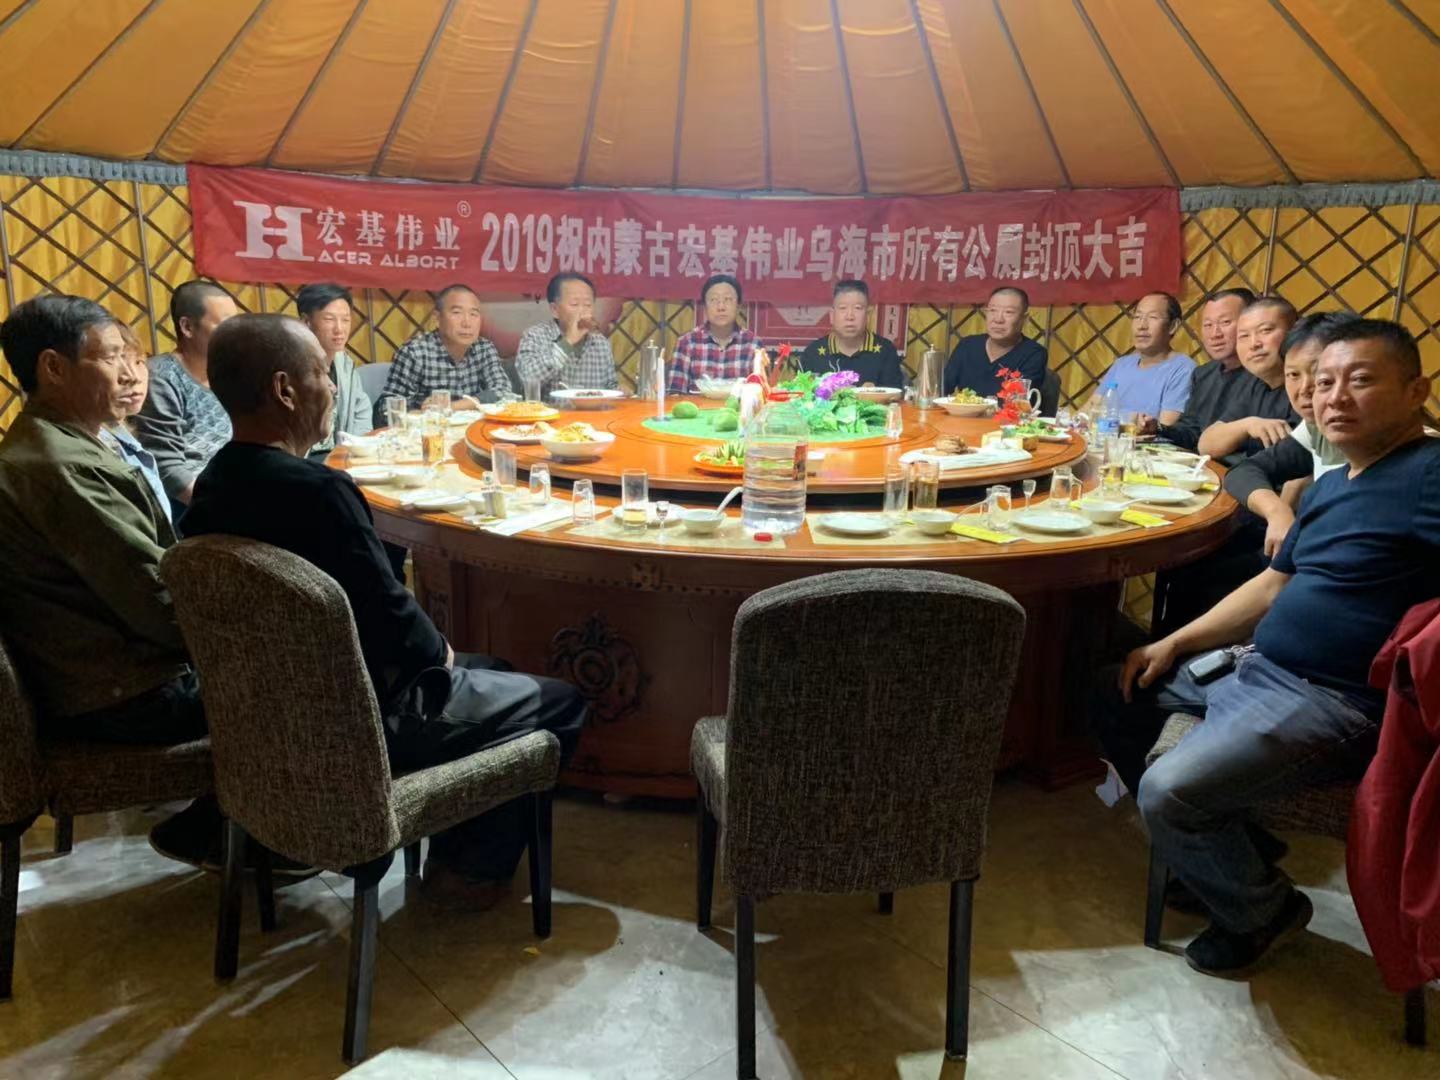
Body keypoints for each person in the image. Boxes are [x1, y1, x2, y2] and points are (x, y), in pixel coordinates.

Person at [185, 314, 587, 908]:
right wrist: (440, 653)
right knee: (560, 702)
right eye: (321, 372)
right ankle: (470, 870)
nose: (333, 387)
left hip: (268, 710)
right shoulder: (320, 492)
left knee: (495, 668)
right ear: (285, 390)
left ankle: (454, 837)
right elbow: (389, 615)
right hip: (366, 714)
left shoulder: (215, 480)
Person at [1092, 318, 1440, 975]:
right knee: (1115, 690)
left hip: (1335, 701)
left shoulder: (1429, 474)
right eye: (1322, 382)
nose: (1333, 397)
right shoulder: (1336, 481)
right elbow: (1274, 584)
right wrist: (1173, 641)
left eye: (1361, 381)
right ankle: (1229, 847)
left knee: (1169, 791)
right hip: (1253, 667)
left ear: (1415, 391)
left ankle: (1263, 909)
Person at [0, 295, 212, 863]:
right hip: (126, 694)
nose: (129, 373)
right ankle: (247, 829)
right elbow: (158, 605)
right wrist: (235, 642)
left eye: (131, 356)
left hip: (101, 676)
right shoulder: (61, 466)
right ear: (53, 367)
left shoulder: (66, 441)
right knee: (300, 669)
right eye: (112, 355)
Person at [1223, 312, 1357, 558]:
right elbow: (1244, 471)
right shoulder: (1314, 428)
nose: (1305, 388)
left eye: (1319, 374)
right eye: (1293, 375)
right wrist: (1278, 511)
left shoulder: (1410, 457)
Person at [131, 280, 237, 516]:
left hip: (232, 493)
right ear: (187, 327)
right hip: (190, 508)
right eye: (225, 325)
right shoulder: (161, 378)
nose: (235, 335)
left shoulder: (230, 375)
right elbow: (166, 466)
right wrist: (226, 510)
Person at [374, 284, 510, 424]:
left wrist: (451, 407)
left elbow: (504, 392)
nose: (467, 323)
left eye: (473, 314)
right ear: (437, 319)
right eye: (457, 313)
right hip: (428, 432)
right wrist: (424, 414)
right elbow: (387, 409)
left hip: (472, 432)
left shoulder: (484, 348)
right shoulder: (415, 352)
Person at [1139, 288, 1255, 448]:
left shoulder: (1264, 376)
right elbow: (1191, 431)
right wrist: (1157, 428)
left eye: (1225, 322)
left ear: (1251, 323)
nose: (1215, 334)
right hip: (1201, 460)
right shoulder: (1203, 374)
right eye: (1208, 325)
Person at [1196, 297, 1300, 462]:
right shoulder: (1256, 385)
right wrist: (1248, 425)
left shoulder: (1311, 389)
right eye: (1244, 336)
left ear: (1295, 333)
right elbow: (1206, 444)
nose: (1254, 344)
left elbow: (1294, 465)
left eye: (1265, 330)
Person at [1087, 292, 1195, 425]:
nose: (1142, 325)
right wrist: (1132, 418)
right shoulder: (1122, 365)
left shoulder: (1182, 369)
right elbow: (1088, 411)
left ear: (1173, 326)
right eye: (1137, 317)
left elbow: (1165, 428)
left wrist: (1111, 418)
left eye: (1153, 317)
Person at [296, 283, 373, 456]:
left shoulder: (344, 364)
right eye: (329, 319)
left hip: (339, 454)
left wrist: (355, 449)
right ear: (306, 322)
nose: (339, 329)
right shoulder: (292, 367)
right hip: (303, 459)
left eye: (345, 320)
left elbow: (361, 409)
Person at [515, 272, 618, 392]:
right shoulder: (536, 336)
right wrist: (567, 342)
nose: (582, 311)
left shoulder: (600, 343)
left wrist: (619, 391)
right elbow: (527, 379)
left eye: (588, 305)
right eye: (574, 304)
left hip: (591, 405)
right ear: (555, 310)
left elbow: (610, 387)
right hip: (550, 405)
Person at [795, 279, 906, 387]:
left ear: (867, 315)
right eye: (843, 308)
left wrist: (874, 393)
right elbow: (802, 395)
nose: (850, 316)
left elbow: (895, 394)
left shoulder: (886, 351)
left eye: (857, 308)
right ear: (832, 316)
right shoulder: (813, 353)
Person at [942, 286, 1047, 398]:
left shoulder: (1033, 354)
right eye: (992, 310)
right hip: (963, 410)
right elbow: (941, 389)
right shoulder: (967, 346)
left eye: (1008, 312)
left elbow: (1019, 401)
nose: (998, 319)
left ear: (1024, 319)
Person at [667, 274, 764, 394]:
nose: (721, 307)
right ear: (705, 307)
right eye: (714, 300)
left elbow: (759, 394)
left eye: (728, 299)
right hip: (698, 406)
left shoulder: (753, 344)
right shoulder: (687, 343)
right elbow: (676, 394)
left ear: (739, 306)